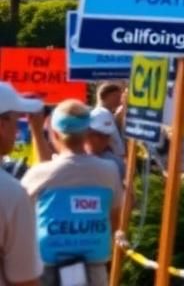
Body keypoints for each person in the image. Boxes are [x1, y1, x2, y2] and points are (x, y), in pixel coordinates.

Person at [21, 100, 122, 286]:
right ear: (86, 133)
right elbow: (115, 216)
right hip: (94, 267)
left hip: (47, 269)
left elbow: (20, 219)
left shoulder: (38, 174)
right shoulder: (109, 171)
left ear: (55, 134)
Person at [0, 82, 44, 286]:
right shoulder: (12, 194)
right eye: (17, 120)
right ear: (2, 124)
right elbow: (24, 281)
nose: (17, 129)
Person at [85, 108, 126, 182]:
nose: (104, 140)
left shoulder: (117, 164)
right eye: (99, 135)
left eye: (107, 135)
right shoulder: (74, 160)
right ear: (87, 132)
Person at [94, 83, 125, 157]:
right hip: (107, 159)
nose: (120, 100)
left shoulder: (107, 113)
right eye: (117, 96)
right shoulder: (101, 113)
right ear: (105, 96)